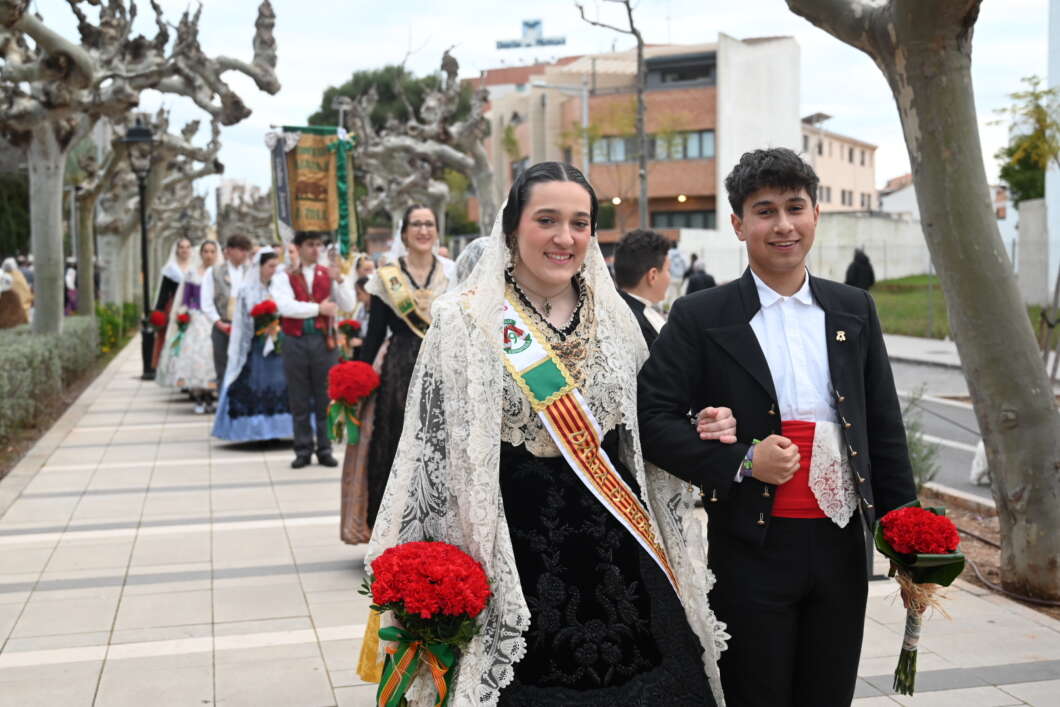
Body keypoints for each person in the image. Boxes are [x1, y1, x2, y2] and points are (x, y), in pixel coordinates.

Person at [365, 163, 735, 706]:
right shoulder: (463, 321)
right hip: (512, 552)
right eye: (547, 220)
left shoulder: (618, 320)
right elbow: (431, 457)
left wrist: (702, 425)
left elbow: (648, 426)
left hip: (620, 553)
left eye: (580, 222)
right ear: (512, 226)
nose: (565, 238)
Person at [637, 148, 917, 707]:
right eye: (765, 211)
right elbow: (651, 419)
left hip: (841, 547)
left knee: (828, 690)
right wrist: (740, 460)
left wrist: (906, 533)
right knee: (755, 691)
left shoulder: (854, 308)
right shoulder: (702, 314)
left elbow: (882, 427)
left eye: (796, 207)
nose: (783, 225)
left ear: (817, 215)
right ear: (739, 224)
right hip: (750, 546)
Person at [353, 205, 457, 530]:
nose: (423, 230)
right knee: (396, 444)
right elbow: (373, 335)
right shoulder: (387, 277)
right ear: (404, 233)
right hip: (399, 371)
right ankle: (396, 526)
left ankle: (439, 525)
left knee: (441, 445)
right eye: (416, 224)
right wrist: (356, 378)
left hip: (444, 368)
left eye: (429, 223)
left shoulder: (453, 272)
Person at [274, 230, 355, 468]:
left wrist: (339, 280)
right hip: (294, 340)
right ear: (298, 248)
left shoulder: (328, 274)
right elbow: (285, 306)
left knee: (324, 396)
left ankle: (325, 447)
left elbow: (348, 304)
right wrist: (318, 309)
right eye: (310, 244)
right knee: (298, 397)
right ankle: (302, 448)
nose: (315, 249)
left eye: (319, 244)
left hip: (323, 340)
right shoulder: (284, 275)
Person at [212, 249, 293, 441]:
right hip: (255, 344)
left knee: (279, 384)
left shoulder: (279, 287)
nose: (274, 270)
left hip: (276, 342)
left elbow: (289, 306)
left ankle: (278, 429)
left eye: (276, 266)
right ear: (260, 267)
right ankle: (254, 430)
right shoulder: (247, 290)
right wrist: (262, 324)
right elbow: (242, 319)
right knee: (255, 383)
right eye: (270, 266)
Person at [157, 240, 219, 413]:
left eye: (212, 251)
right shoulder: (192, 273)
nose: (209, 255)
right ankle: (198, 395)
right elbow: (186, 299)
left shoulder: (219, 273)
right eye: (205, 251)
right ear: (201, 254)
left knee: (212, 356)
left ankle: (210, 394)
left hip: (214, 318)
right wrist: (183, 316)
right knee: (195, 355)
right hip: (196, 319)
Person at [202, 234, 252, 390]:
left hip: (245, 326)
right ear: (229, 251)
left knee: (245, 367)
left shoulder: (250, 272)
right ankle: (224, 404)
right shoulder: (214, 272)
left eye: (246, 250)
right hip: (223, 325)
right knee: (223, 367)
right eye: (241, 250)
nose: (244, 254)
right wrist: (218, 322)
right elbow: (207, 302)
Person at [614, 228, 672, 348]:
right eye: (668, 270)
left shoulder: (616, 307)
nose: (669, 278)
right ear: (653, 276)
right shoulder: (636, 324)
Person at [150, 238, 194, 371]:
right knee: (174, 336)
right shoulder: (170, 269)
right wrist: (159, 311)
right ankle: (172, 366)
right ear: (177, 250)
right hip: (174, 307)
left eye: (187, 247)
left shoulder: (195, 268)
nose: (184, 250)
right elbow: (164, 293)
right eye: (181, 247)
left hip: (192, 306)